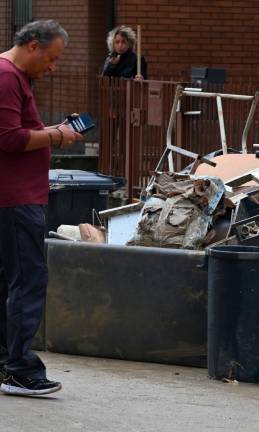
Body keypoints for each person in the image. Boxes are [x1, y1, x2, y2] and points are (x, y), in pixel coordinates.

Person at [0, 20, 81, 396]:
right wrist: (55, 135)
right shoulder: (6, 76)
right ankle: (19, 370)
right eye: (50, 59)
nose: (52, 68)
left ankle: (8, 363)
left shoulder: (12, 76)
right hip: (15, 199)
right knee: (28, 282)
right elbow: (9, 139)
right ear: (32, 45)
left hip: (15, 197)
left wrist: (52, 131)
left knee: (11, 282)